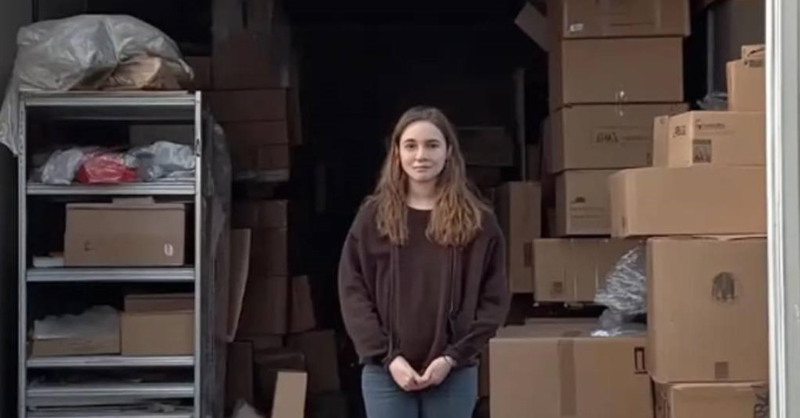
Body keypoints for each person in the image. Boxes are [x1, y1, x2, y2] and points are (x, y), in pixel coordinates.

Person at [338, 106, 511, 418]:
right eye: (411, 145)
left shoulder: (478, 222)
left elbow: (494, 301)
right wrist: (387, 357)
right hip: (386, 372)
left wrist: (453, 357)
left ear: (448, 152)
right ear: (397, 153)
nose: (421, 155)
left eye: (432, 145)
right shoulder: (372, 219)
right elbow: (353, 291)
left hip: (453, 372)